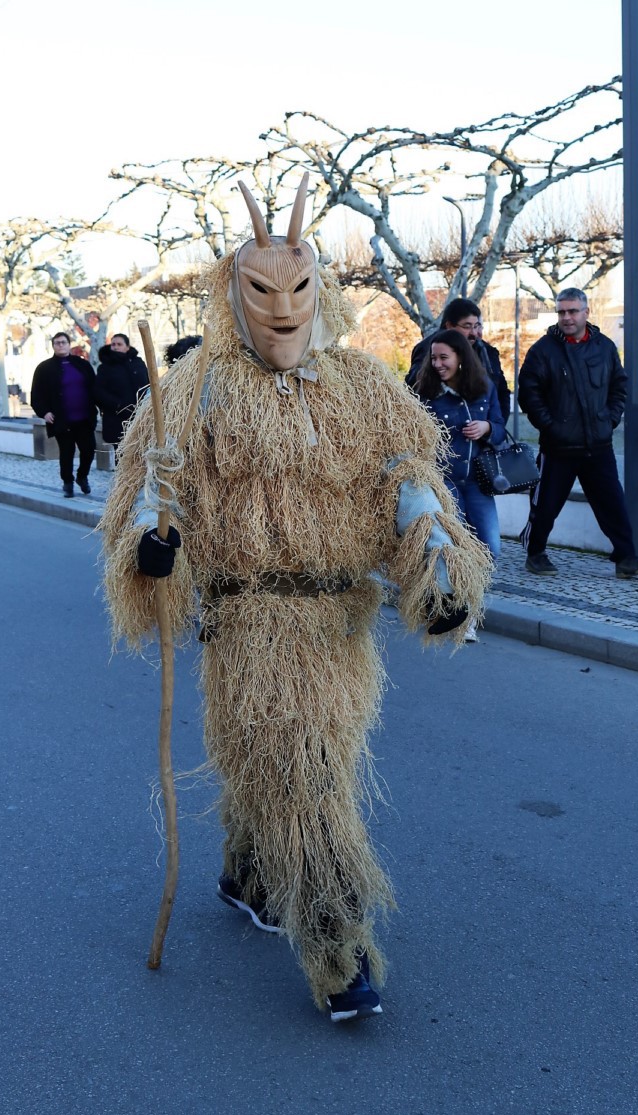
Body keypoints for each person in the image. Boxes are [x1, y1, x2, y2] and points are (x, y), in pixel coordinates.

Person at [101, 176, 493, 1024]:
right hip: (252, 625)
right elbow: (150, 493)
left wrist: (437, 575)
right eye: (260, 290)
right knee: (304, 778)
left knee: (299, 765)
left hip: (342, 623)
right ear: (231, 292)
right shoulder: (197, 390)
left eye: (298, 288)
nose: (282, 310)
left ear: (321, 290)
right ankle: (338, 943)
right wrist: (153, 548)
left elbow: (407, 483)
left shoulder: (366, 390)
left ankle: (247, 871)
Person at [518, 287, 638, 578]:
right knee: (546, 506)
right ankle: (535, 553)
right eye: (562, 312)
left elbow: (620, 385)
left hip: (598, 445)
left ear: (586, 312)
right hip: (558, 449)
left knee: (612, 503)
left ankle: (626, 558)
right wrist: (551, 427)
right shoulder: (543, 350)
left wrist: (610, 419)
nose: (567, 317)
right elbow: (528, 394)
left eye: (572, 311)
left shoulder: (604, 347)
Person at [416, 328, 506, 641]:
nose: (438, 363)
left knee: (489, 547)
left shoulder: (484, 388)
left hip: (478, 481)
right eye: (434, 358)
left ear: (460, 358)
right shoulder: (425, 392)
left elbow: (499, 428)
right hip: (444, 480)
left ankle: (471, 606)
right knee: (453, 547)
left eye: (444, 357)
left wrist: (488, 427)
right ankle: (461, 614)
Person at [406, 298, 511, 422]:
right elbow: (414, 388)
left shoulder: (487, 351)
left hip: (485, 434)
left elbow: (501, 391)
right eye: (467, 327)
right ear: (449, 325)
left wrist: (494, 427)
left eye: (476, 326)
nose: (474, 333)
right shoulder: (428, 349)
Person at [30, 332, 98, 497]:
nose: (60, 345)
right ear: (53, 346)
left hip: (84, 418)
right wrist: (44, 413)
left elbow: (95, 387)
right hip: (62, 420)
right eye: (57, 343)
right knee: (66, 453)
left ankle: (82, 477)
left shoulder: (82, 364)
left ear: (69, 344)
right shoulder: (44, 368)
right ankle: (67, 483)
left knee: (89, 450)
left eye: (63, 342)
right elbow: (36, 395)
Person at [94, 334, 150, 449]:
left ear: (127, 347)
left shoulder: (138, 363)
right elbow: (98, 392)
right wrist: (119, 405)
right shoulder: (105, 368)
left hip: (142, 415)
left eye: (119, 344)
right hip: (117, 417)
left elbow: (148, 384)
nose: (115, 347)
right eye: (113, 344)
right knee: (122, 454)